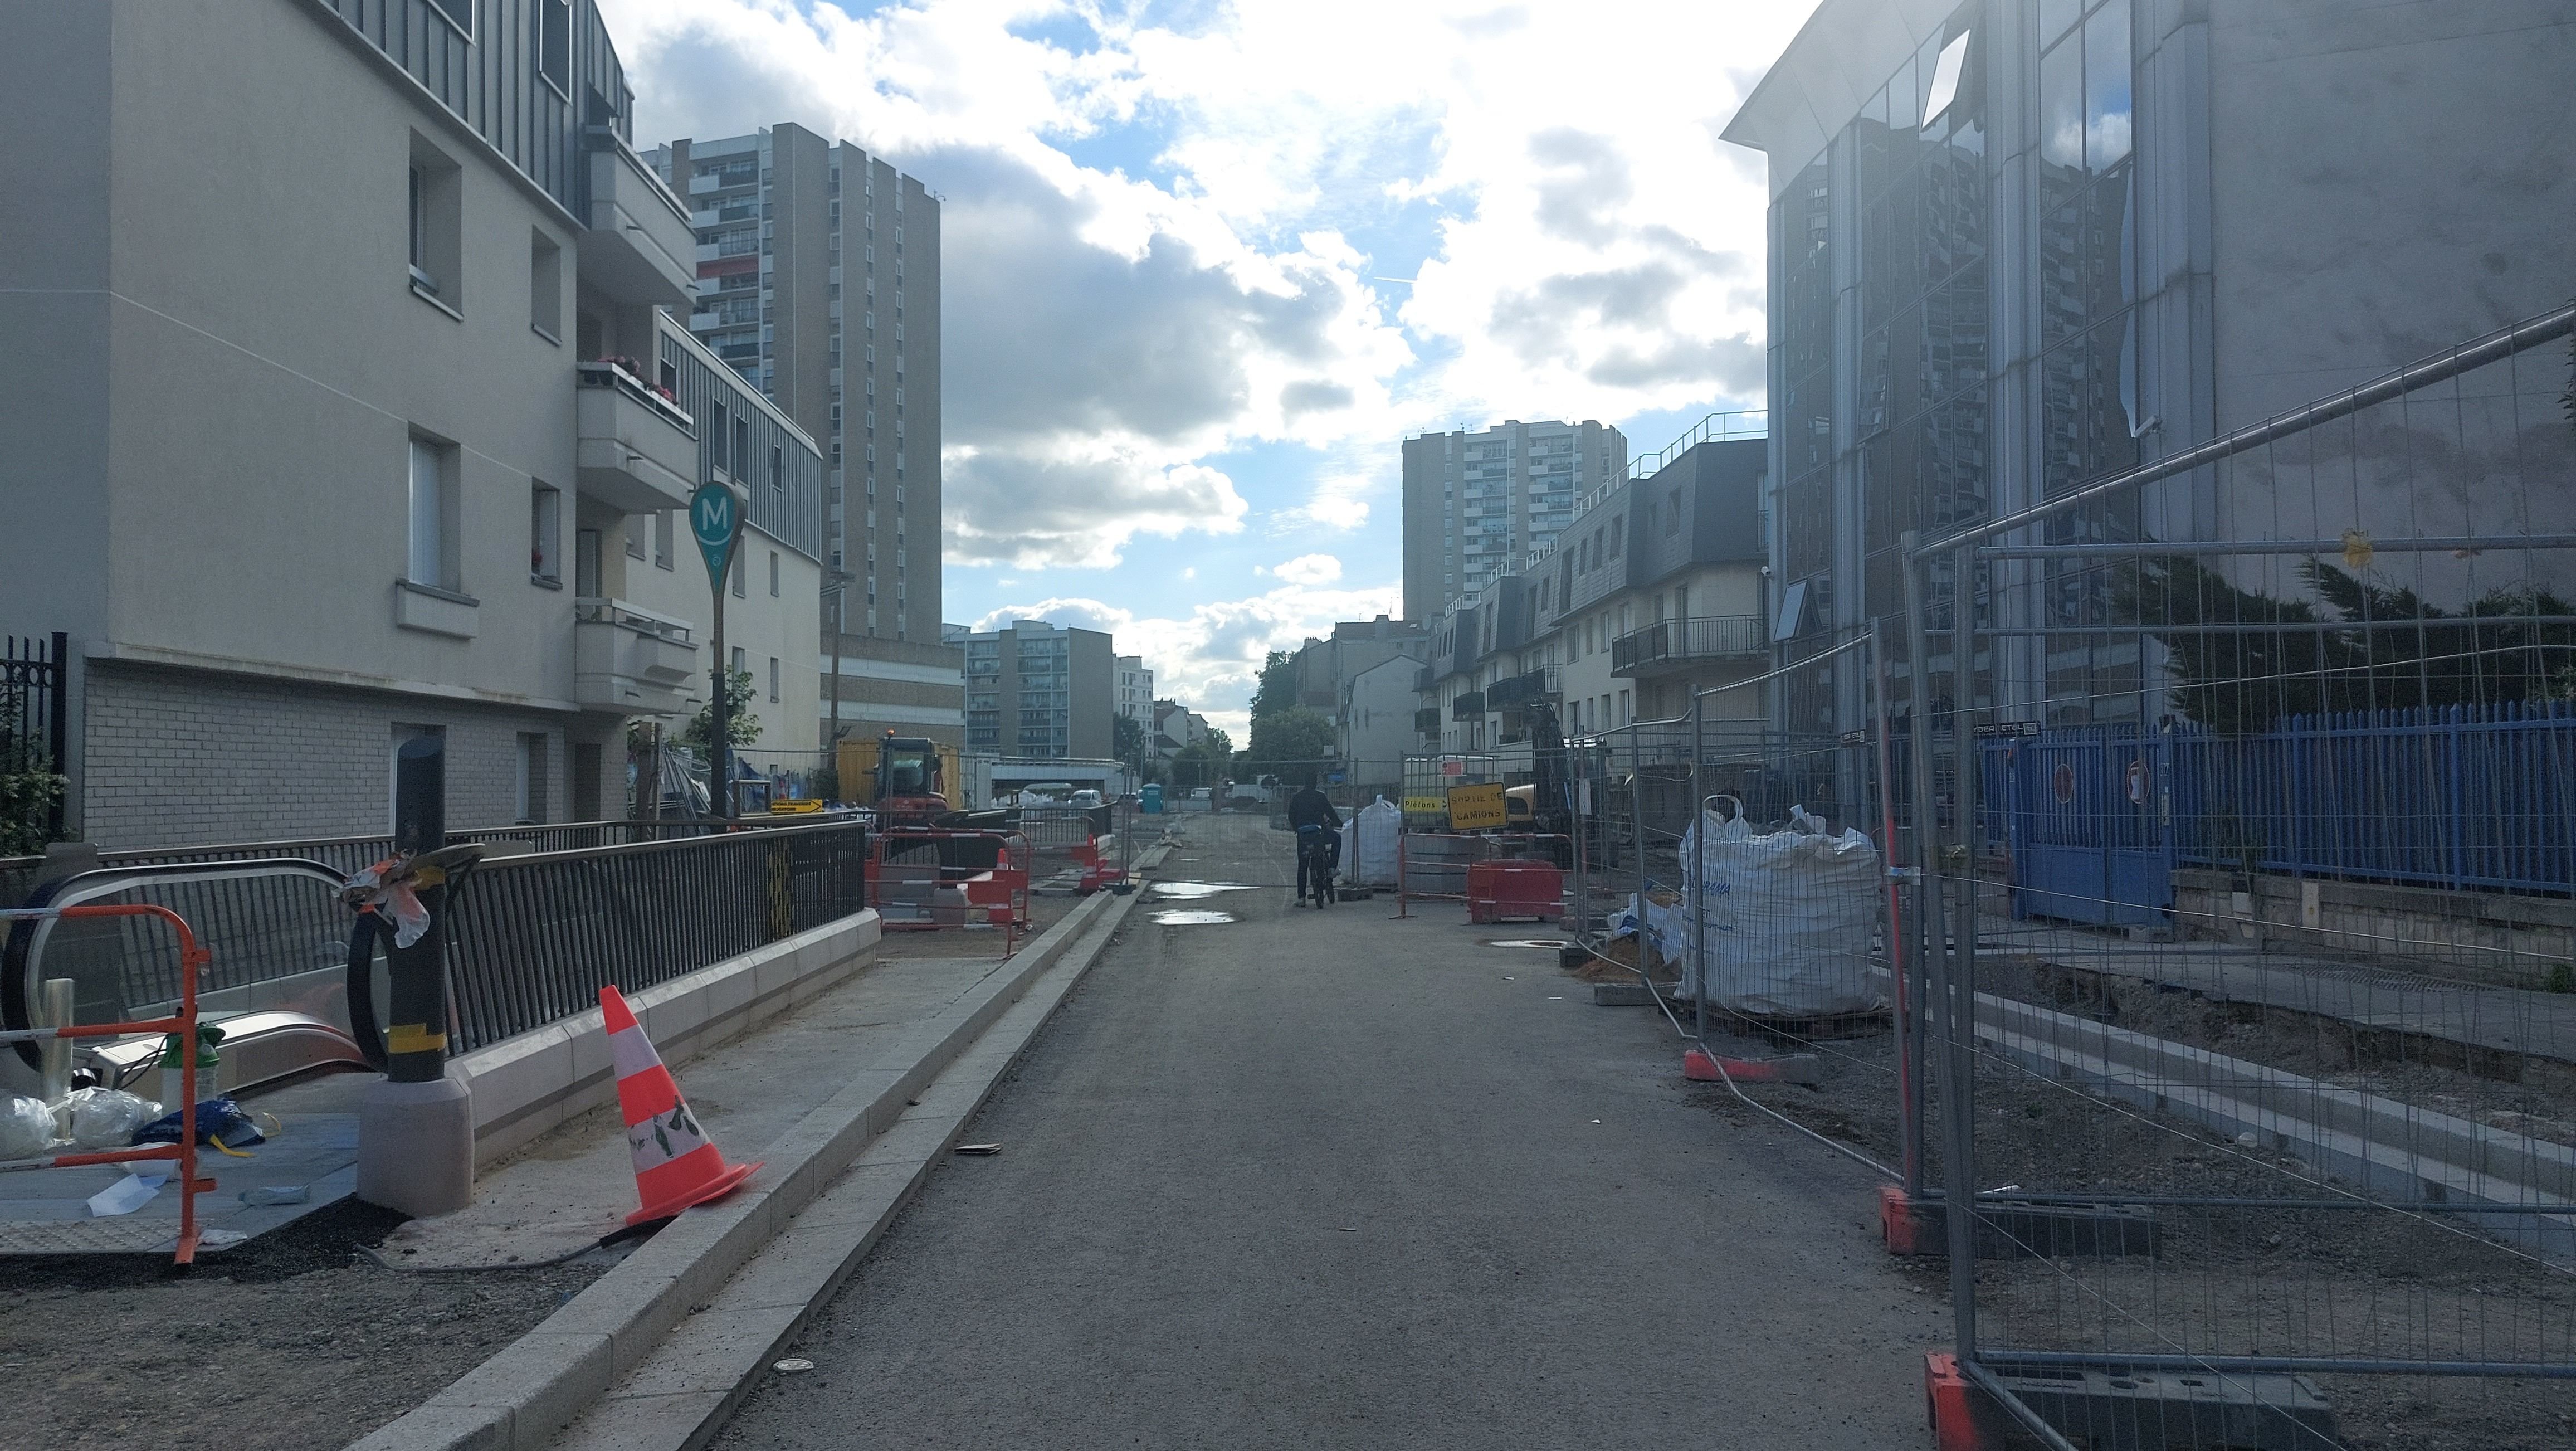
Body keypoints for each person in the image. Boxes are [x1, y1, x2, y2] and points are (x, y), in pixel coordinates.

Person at [1287, 782, 1341, 905]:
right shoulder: (1320, 796)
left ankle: (1301, 898)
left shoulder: (1297, 797)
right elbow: (1331, 813)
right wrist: (1340, 824)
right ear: (1316, 783)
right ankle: (1332, 868)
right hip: (1319, 834)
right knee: (1337, 839)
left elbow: (1291, 816)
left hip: (1303, 835)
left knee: (1303, 865)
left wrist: (1297, 829)